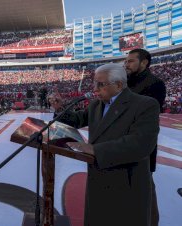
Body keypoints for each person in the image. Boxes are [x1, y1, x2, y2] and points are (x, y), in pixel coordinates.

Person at [51, 63, 160, 226]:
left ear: (119, 85)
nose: (95, 89)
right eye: (95, 83)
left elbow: (141, 143)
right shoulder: (96, 105)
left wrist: (95, 149)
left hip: (126, 183)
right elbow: (77, 119)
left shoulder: (145, 105)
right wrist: (60, 109)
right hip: (98, 179)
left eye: (100, 84)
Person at [125, 48, 166, 226]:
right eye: (126, 61)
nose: (126, 64)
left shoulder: (156, 84)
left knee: (145, 192)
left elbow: (143, 114)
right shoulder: (124, 82)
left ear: (144, 63)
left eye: (131, 61)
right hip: (118, 145)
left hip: (140, 148)